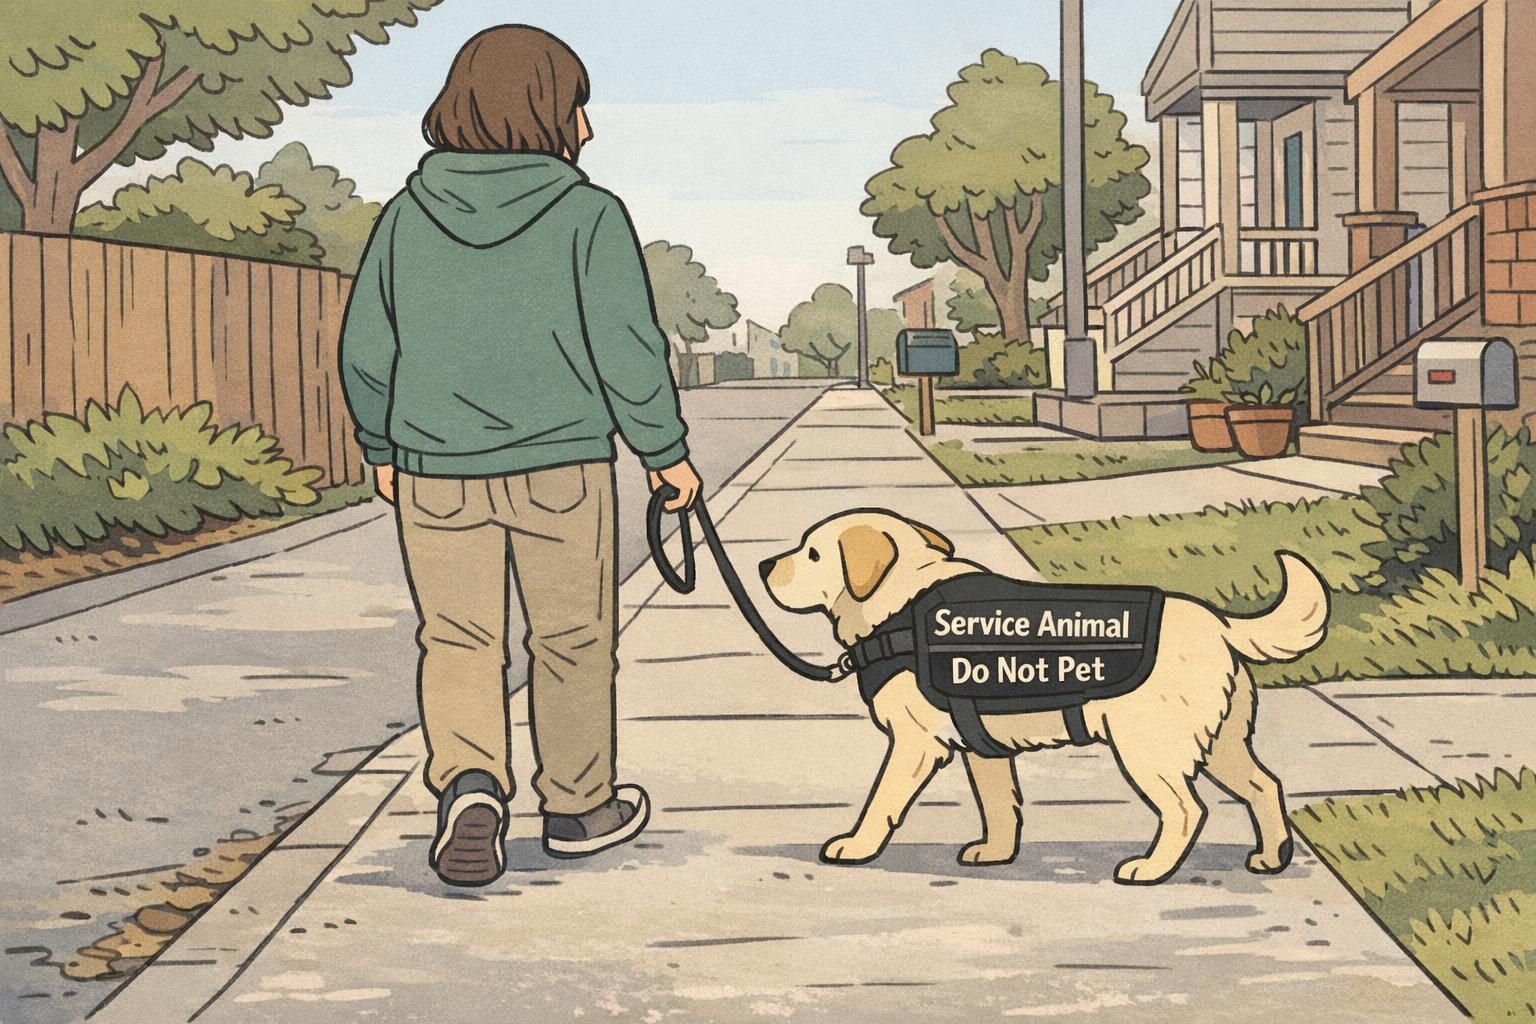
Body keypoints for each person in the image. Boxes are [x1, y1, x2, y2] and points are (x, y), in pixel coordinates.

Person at [338, 24, 700, 887]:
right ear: (547, 111)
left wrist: (380, 443)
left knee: (457, 638)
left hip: (434, 469)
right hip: (562, 470)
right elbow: (628, 348)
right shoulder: (589, 215)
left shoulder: (404, 217)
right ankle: (578, 807)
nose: (586, 128)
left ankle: (470, 786)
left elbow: (365, 344)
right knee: (572, 639)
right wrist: (665, 454)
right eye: (578, 106)